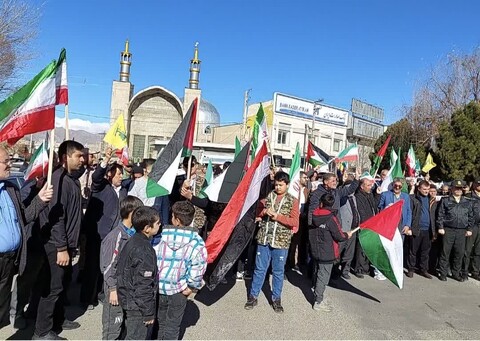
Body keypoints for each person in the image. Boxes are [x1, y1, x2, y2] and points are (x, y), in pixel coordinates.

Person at [33, 140, 85, 340]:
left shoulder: (71, 180)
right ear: (66, 157)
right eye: (78, 156)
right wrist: (62, 247)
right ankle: (42, 332)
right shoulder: (57, 180)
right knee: (53, 287)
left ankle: (58, 319)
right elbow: (55, 218)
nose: (82, 159)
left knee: (62, 284)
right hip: (56, 245)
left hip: (68, 244)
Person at [0, 147, 52, 330]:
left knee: (1, 311)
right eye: (6, 161)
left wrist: (40, 199)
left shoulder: (10, 190)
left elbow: (23, 218)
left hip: (8, 261)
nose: (10, 165)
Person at [81, 147, 129, 310]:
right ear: (110, 175)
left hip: (112, 237)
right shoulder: (101, 187)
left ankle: (102, 294)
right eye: (119, 174)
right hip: (98, 235)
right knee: (92, 267)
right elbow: (96, 176)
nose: (121, 177)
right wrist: (106, 160)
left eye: (122, 174)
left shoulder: (123, 191)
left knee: (107, 268)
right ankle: (87, 298)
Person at [244, 171, 299, 314]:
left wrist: (278, 216)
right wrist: (263, 212)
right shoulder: (268, 197)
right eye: (276, 184)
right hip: (264, 239)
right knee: (259, 269)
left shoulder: (293, 200)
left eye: (281, 185)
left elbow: (294, 221)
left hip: (281, 242)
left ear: (287, 185)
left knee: (278, 271)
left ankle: (276, 299)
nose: (278, 187)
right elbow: (257, 213)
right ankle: (253, 296)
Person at [154, 201, 207, 340]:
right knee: (173, 326)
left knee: (160, 323)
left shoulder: (161, 236)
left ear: (176, 219)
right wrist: (191, 286)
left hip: (159, 287)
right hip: (179, 289)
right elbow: (198, 267)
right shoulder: (197, 241)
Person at [100, 196, 144, 340]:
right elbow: (107, 266)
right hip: (115, 287)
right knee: (113, 325)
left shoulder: (134, 234)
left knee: (124, 324)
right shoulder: (116, 236)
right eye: (139, 212)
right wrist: (112, 289)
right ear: (131, 213)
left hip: (128, 287)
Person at [116, 206, 159, 340]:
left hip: (129, 298)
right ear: (147, 228)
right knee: (136, 336)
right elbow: (143, 284)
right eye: (157, 223)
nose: (160, 225)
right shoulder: (144, 250)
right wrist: (148, 313)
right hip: (137, 305)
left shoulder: (133, 240)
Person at [310, 193, 354, 312]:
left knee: (317, 272)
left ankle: (316, 291)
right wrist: (347, 235)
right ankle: (318, 301)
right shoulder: (331, 219)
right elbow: (339, 236)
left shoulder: (314, 215)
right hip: (327, 252)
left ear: (321, 203)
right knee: (323, 276)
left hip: (315, 249)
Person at [437, 180, 474, 282]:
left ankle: (456, 273)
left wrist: (469, 229)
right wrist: (440, 227)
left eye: (460, 188)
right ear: (451, 189)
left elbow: (471, 216)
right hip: (448, 229)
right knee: (445, 252)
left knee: (459, 253)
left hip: (461, 231)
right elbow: (440, 214)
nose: (458, 190)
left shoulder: (467, 201)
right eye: (456, 188)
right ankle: (443, 273)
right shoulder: (445, 200)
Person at [407, 180, 437, 279]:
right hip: (417, 229)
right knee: (413, 251)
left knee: (425, 252)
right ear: (419, 189)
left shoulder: (432, 200)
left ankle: (423, 270)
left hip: (428, 230)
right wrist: (410, 227)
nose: (426, 191)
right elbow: (409, 213)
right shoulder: (413, 198)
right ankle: (411, 269)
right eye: (424, 189)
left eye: (428, 189)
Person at [352, 176, 379, 278]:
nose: (370, 187)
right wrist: (366, 223)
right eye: (368, 185)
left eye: (371, 185)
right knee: (361, 248)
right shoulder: (359, 196)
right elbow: (361, 212)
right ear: (362, 186)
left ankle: (366, 268)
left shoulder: (370, 194)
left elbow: (374, 206)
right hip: (364, 225)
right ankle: (358, 268)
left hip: (372, 225)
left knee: (368, 248)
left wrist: (377, 195)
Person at [462, 179, 480, 281]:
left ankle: (475, 271)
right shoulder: (468, 196)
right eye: (478, 184)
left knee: (478, 251)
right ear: (474, 185)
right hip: (471, 226)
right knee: (467, 250)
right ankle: (464, 271)